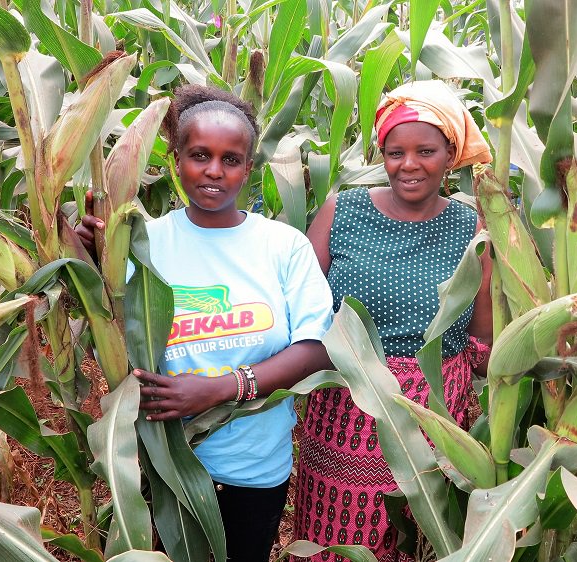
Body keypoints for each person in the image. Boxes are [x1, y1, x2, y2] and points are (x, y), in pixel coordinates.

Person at [78, 84, 333, 562]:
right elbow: (107, 319)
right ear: (176, 159)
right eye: (199, 155)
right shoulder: (143, 243)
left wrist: (219, 389)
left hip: (255, 466)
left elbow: (315, 347)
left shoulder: (283, 246)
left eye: (231, 159)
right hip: (165, 462)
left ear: (249, 168)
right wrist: (81, 253)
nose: (214, 171)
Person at [292, 81, 494, 562]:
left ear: (450, 154)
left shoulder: (472, 228)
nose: (409, 164)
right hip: (345, 403)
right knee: (334, 536)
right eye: (394, 151)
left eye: (426, 150)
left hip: (435, 413)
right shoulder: (343, 209)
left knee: (422, 531)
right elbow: (297, 300)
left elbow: (482, 336)